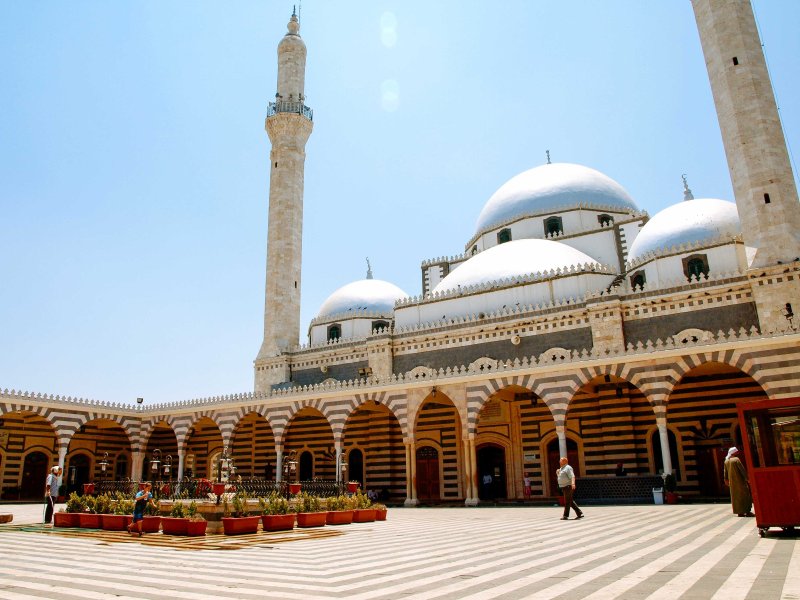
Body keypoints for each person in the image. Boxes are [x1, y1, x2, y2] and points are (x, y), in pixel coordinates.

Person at [723, 447, 754, 517]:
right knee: (745, 496)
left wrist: (726, 480)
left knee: (736, 497)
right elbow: (742, 470)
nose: (738, 453)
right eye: (736, 452)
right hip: (740, 482)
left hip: (732, 483)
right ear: (734, 452)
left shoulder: (726, 461)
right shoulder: (736, 459)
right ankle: (747, 511)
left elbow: (725, 472)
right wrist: (747, 479)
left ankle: (740, 512)